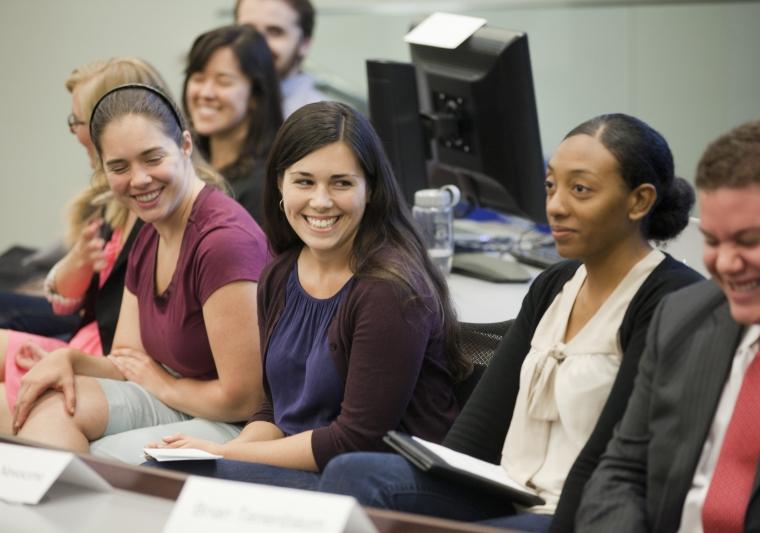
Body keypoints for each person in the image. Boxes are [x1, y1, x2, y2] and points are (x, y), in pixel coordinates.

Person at [318, 113, 704, 532]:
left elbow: (610, 458)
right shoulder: (554, 283)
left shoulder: (669, 297)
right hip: (510, 492)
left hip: (580, 514)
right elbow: (479, 430)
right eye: (551, 186)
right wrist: (436, 494)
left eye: (580, 189)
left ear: (639, 201)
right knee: (353, 474)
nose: (555, 206)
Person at [143, 101, 466, 488]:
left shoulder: (388, 291)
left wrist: (224, 454)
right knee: (169, 472)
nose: (321, 201)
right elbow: (274, 407)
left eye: (342, 183)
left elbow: (353, 441)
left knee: (170, 477)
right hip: (307, 463)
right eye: (304, 181)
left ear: (371, 190)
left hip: (380, 482)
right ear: (280, 183)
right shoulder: (280, 273)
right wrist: (229, 458)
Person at [11, 84, 269, 464]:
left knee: (99, 456)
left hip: (235, 423)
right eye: (119, 167)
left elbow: (245, 398)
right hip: (174, 397)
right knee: (41, 409)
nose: (139, 179)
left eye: (152, 158)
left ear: (184, 146)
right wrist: (68, 360)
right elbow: (128, 360)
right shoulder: (152, 229)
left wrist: (163, 383)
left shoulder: (223, 242)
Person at [576, 115, 760, 532]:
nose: (726, 264)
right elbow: (622, 474)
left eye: (749, 241)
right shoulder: (683, 318)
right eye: (713, 241)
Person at [0, 57, 172, 433]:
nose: (74, 130)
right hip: (90, 346)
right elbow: (66, 298)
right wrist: (77, 261)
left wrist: (68, 359)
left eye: (78, 120)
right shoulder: (110, 202)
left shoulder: (159, 209)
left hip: (103, 359)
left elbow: (135, 354)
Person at [184, 24, 283, 224]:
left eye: (223, 82)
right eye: (198, 78)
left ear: (255, 95)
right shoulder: (183, 166)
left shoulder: (264, 186)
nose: (205, 93)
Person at [235, 0, 324, 117]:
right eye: (247, 31)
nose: (258, 44)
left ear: (304, 44)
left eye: (275, 32)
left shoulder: (318, 120)